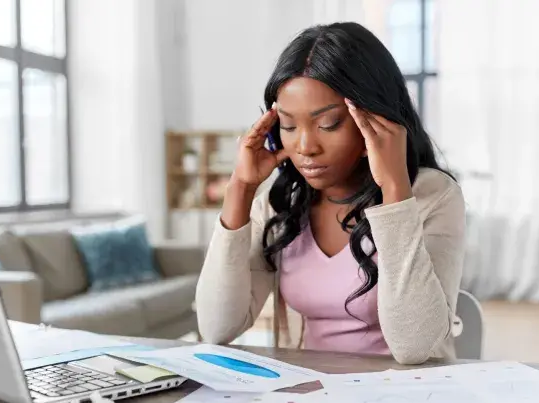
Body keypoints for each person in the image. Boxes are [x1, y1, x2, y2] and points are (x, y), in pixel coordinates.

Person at [194, 22, 466, 364]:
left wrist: (394, 191)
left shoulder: (434, 196)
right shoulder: (282, 205)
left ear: (376, 119)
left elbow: (414, 347)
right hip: (310, 399)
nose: (306, 147)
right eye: (289, 126)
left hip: (406, 401)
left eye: (328, 124)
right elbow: (217, 327)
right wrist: (241, 189)